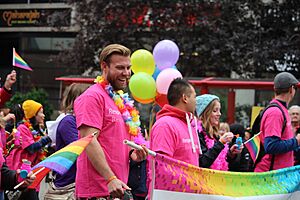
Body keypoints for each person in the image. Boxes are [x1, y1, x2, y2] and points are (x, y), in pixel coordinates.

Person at [74, 44, 147, 199]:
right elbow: (89, 140)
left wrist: (133, 153)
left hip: (118, 190)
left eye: (129, 68)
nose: (126, 73)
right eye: (120, 67)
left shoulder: (119, 100)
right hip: (97, 192)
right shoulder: (92, 97)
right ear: (104, 66)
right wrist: (110, 178)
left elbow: (115, 142)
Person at [44, 83, 90, 200]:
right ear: (78, 100)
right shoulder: (68, 122)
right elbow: (84, 149)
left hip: (79, 183)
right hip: (67, 186)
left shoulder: (81, 121)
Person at [5, 100, 52, 199]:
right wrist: (49, 137)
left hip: (31, 176)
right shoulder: (23, 128)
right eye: (41, 112)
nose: (43, 115)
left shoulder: (36, 130)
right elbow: (31, 148)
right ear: (33, 114)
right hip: (20, 174)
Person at [254, 72, 300, 172]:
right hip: (270, 176)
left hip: (277, 175)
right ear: (291, 89)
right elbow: (271, 146)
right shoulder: (275, 112)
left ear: (275, 89)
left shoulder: (281, 109)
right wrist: (296, 141)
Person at [150, 78, 200, 166]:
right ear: (185, 98)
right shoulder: (164, 125)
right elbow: (161, 166)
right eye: (194, 97)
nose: (196, 101)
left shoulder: (190, 124)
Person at [196, 94, 243, 171]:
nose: (219, 114)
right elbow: (202, 163)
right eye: (215, 111)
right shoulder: (198, 133)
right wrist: (220, 143)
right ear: (205, 113)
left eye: (219, 110)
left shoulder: (214, 134)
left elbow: (221, 162)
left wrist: (231, 153)